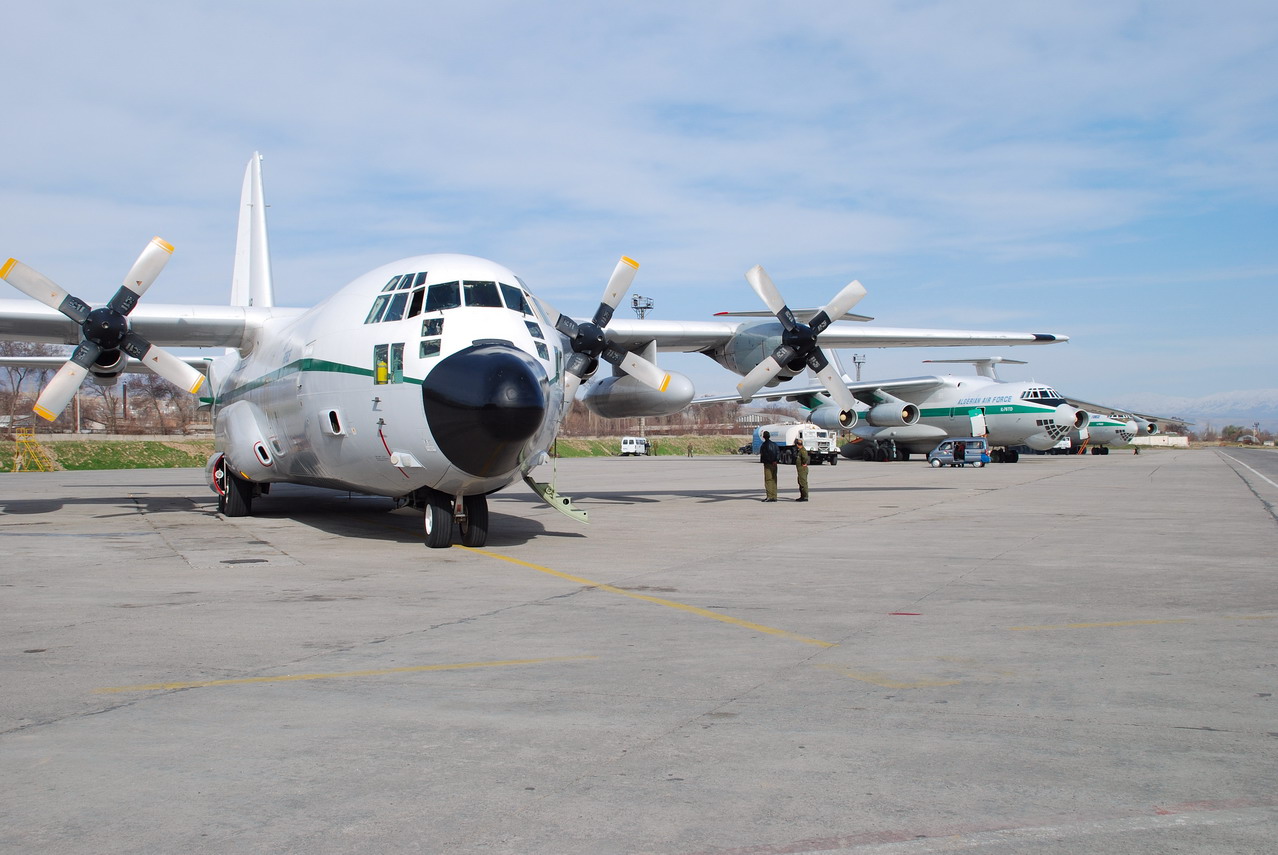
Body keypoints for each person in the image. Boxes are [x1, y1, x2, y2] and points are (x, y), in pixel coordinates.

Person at [759, 430, 779, 502]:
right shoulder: (775, 444)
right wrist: (775, 461)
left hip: (768, 464)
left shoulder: (764, 445)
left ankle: (770, 496)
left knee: (768, 480)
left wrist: (769, 461)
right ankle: (774, 496)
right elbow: (778, 453)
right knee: (774, 479)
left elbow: (764, 455)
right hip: (774, 464)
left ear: (764, 437)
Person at [794, 437, 810, 501]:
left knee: (803, 483)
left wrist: (804, 463)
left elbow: (805, 458)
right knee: (800, 482)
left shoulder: (802, 451)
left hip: (802, 469)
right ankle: (802, 496)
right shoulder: (800, 451)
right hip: (800, 469)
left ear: (798, 444)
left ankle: (805, 496)